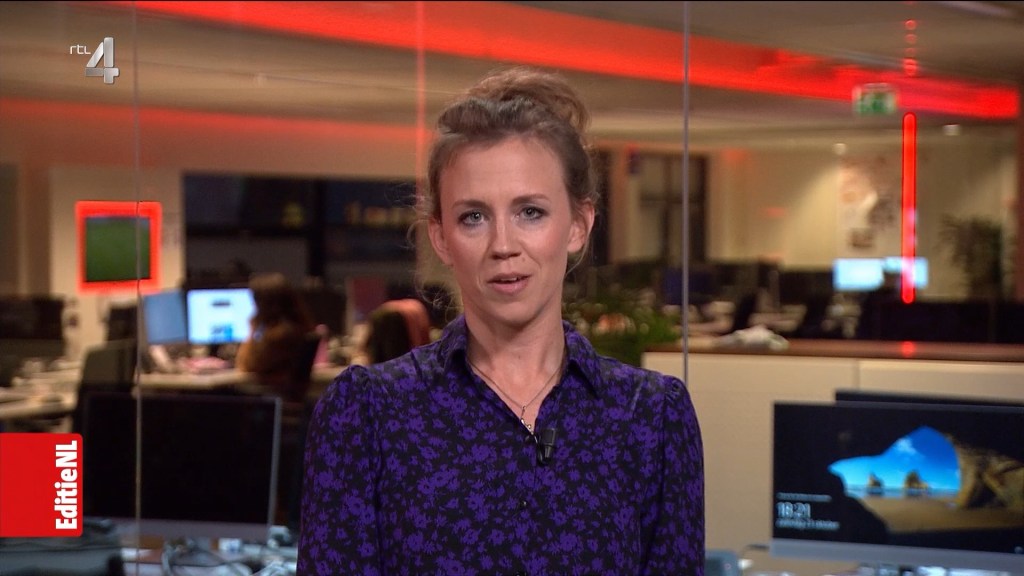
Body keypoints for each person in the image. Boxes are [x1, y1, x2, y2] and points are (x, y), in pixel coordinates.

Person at [298, 66, 705, 575]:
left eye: (530, 212)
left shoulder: (651, 417)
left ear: (579, 225)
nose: (503, 245)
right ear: (441, 237)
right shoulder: (368, 413)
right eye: (473, 217)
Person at [235, 272, 316, 401]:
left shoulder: (279, 336)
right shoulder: (297, 329)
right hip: (283, 401)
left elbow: (246, 365)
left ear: (264, 304)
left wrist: (252, 329)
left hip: (270, 401)